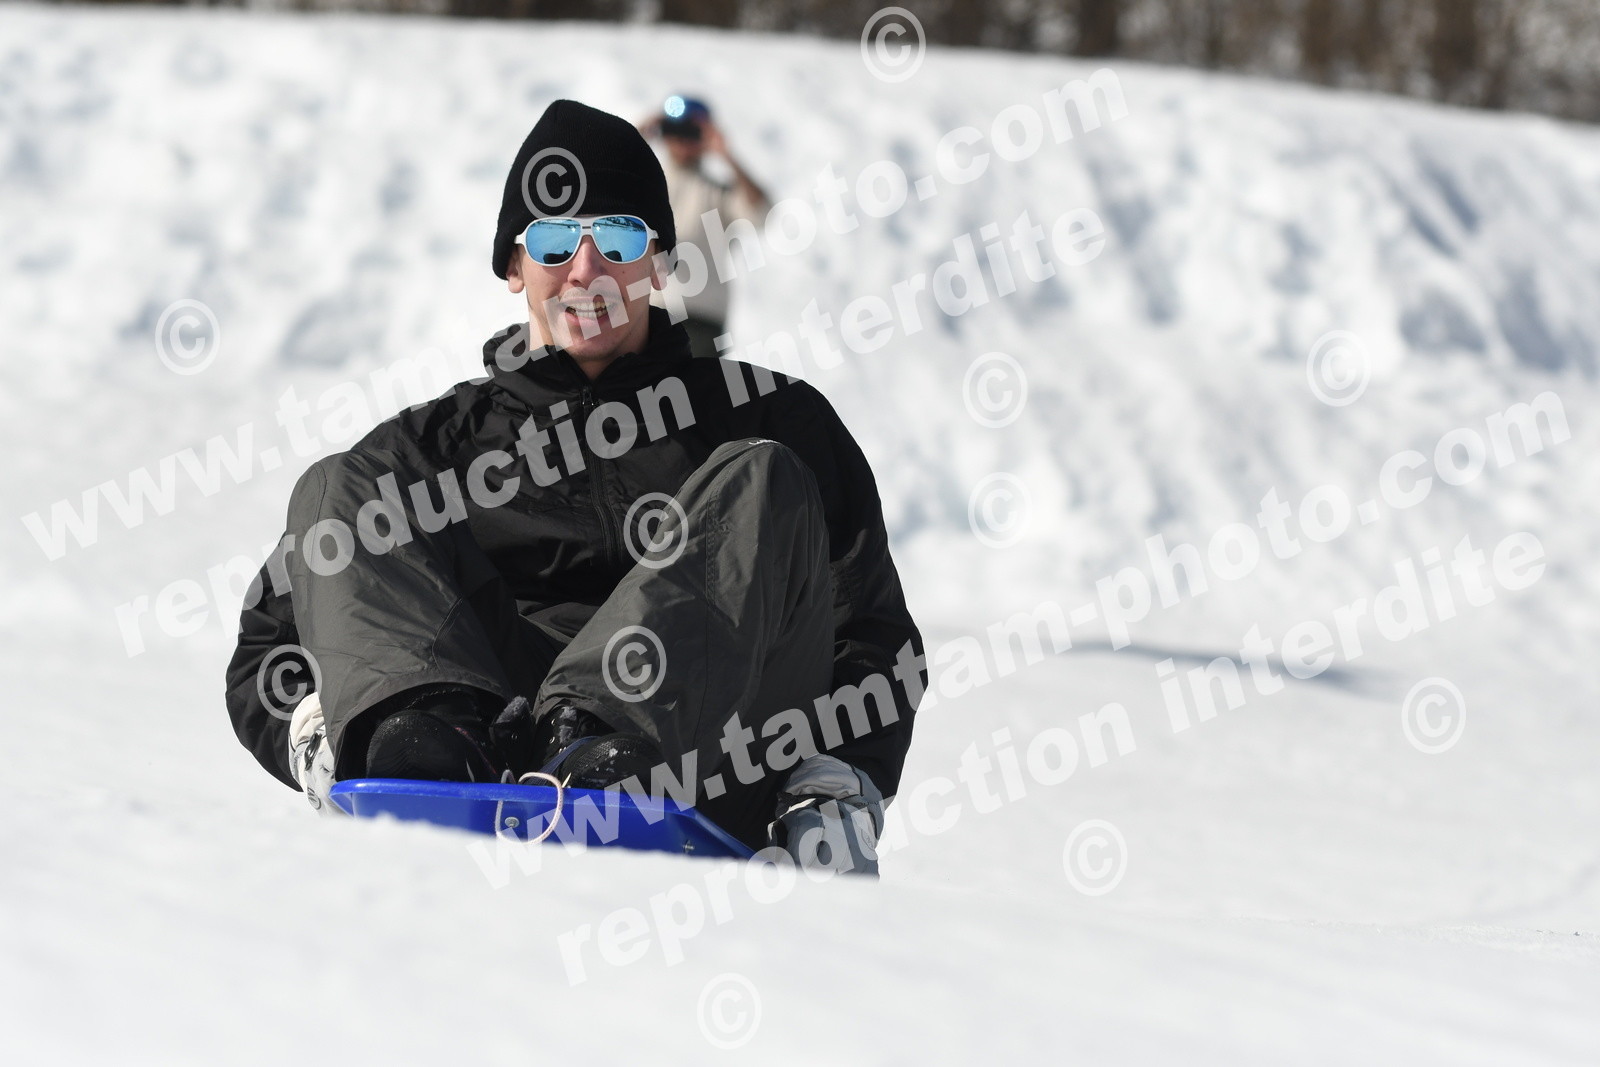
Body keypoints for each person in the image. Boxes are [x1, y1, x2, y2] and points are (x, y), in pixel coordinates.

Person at [224, 100, 923, 874]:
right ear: (514, 267)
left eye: (617, 238)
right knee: (342, 486)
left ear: (658, 261)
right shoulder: (432, 450)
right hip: (485, 751)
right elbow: (271, 647)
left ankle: (600, 747)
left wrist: (837, 780)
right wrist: (319, 723)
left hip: (701, 766)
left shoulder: (771, 419)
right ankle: (428, 740)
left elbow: (868, 633)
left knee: (763, 475)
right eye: (555, 242)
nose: (586, 271)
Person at [639, 95, 770, 360]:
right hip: (647, 312)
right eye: (674, 131)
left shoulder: (719, 194)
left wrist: (727, 155)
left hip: (702, 318)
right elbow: (601, 193)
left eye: (691, 133)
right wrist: (635, 139)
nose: (682, 141)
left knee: (695, 388)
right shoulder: (646, 183)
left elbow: (761, 213)